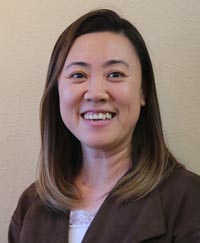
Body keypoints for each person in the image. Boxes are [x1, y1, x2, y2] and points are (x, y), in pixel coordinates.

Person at [8, 9, 200, 243]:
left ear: (143, 91)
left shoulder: (188, 200)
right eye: (78, 75)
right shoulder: (31, 206)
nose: (96, 93)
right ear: (57, 90)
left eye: (115, 74)